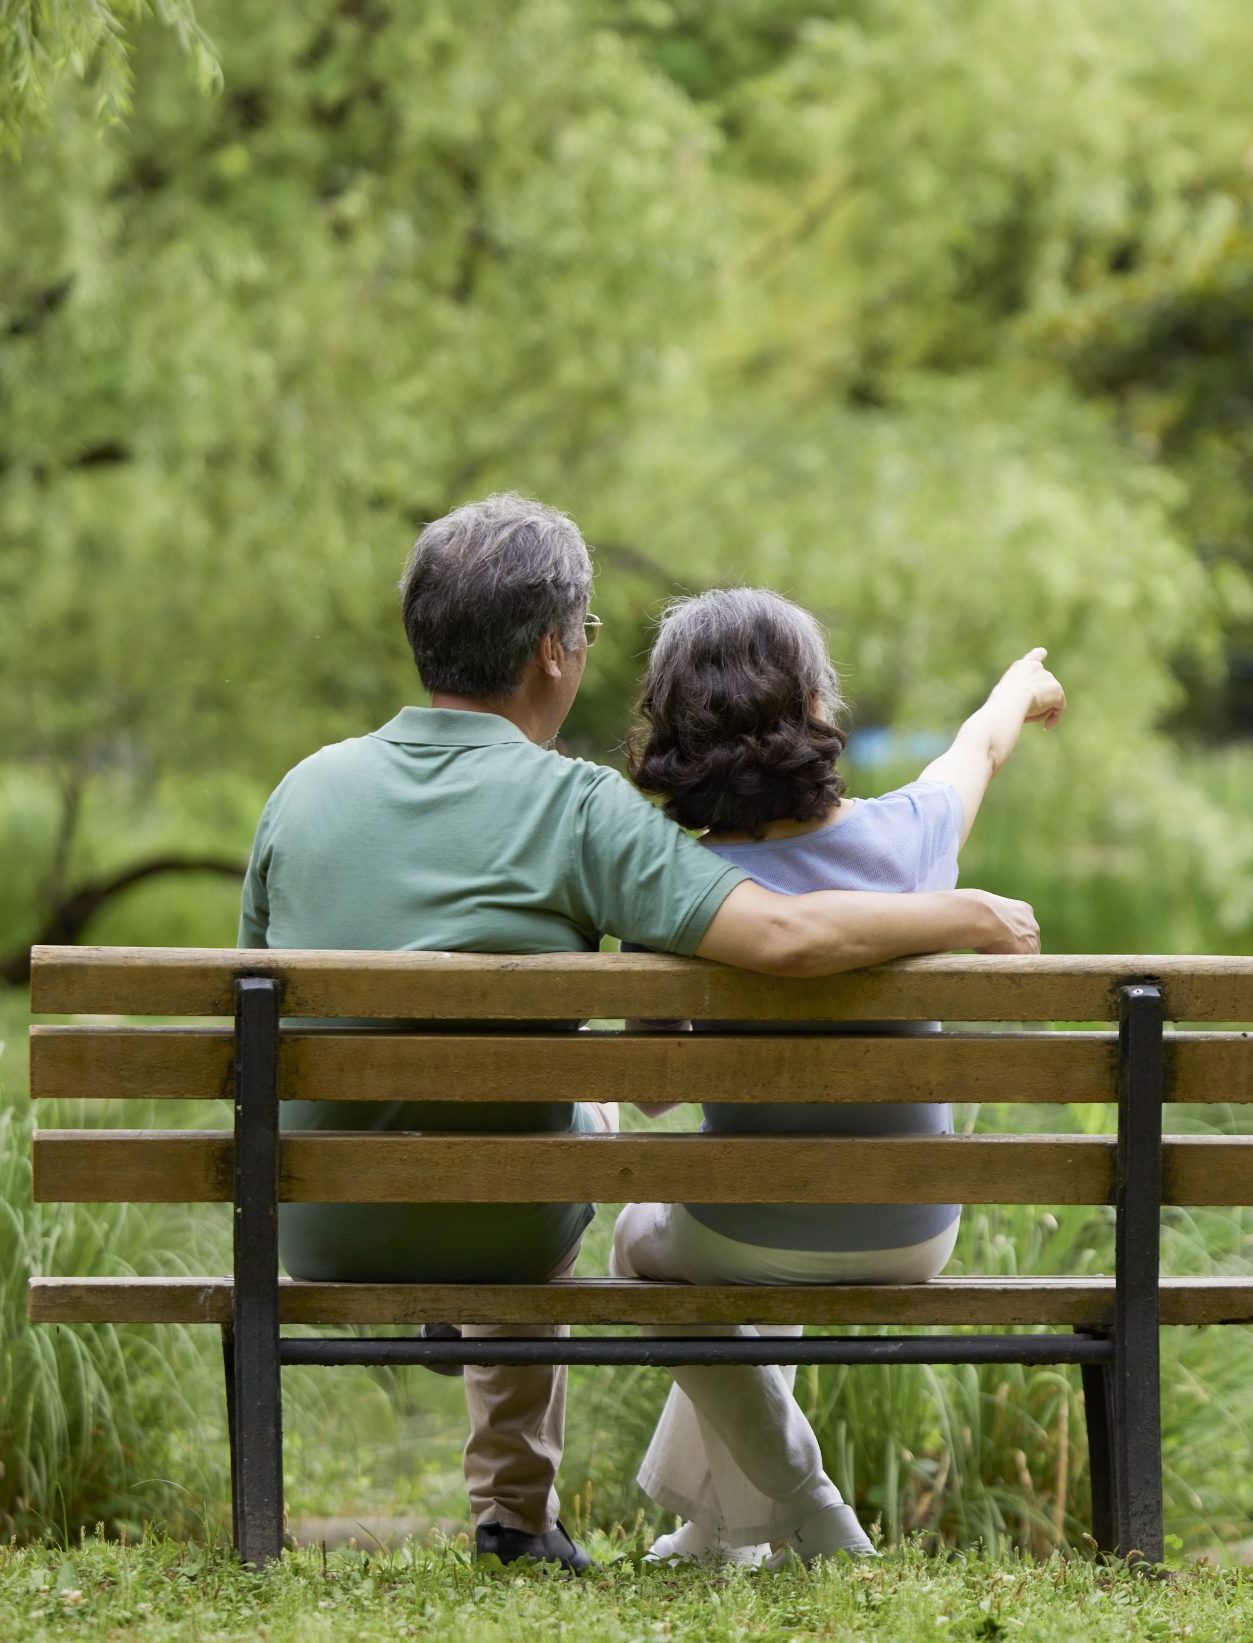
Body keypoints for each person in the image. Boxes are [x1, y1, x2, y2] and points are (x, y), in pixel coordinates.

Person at [235, 497, 1041, 1573]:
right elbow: (787, 933)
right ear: (555, 651)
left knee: (578, 1132)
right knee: (561, 1129)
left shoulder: (299, 794)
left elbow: (247, 1016)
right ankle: (516, 1518)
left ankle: (707, 1522)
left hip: (317, 1224)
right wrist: (968, 911)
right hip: (504, 1234)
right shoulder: (576, 808)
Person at [610, 587, 1065, 1565]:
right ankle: (719, 1524)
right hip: (913, 1233)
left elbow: (649, 1092)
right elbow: (977, 747)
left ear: (677, 738)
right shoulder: (916, 832)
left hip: (744, 1232)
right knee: (732, 1240)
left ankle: (800, 1498)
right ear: (817, 708)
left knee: (646, 1245)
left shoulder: (675, 884)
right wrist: (1018, 688)